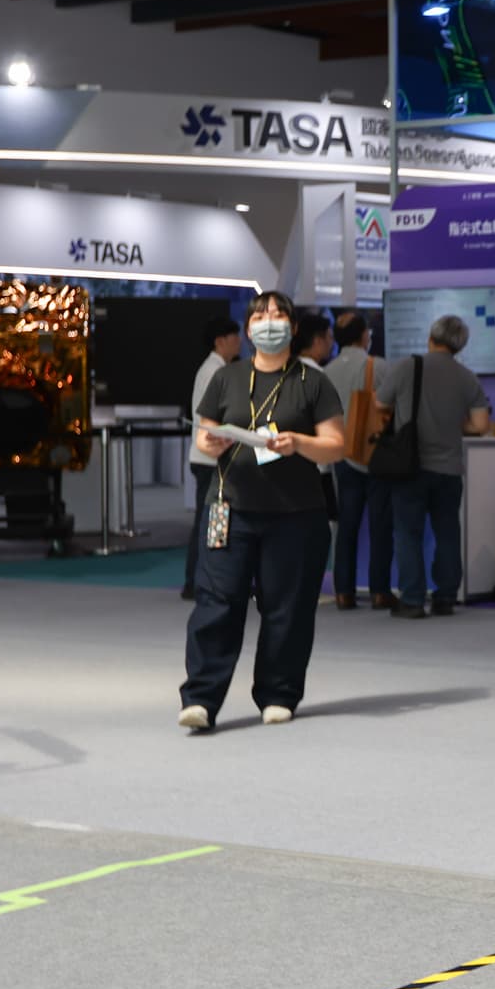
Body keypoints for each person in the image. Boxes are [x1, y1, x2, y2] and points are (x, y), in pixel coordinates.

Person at [180, 292, 344, 731]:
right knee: (216, 602)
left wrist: (299, 443)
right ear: (248, 327)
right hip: (228, 508)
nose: (268, 321)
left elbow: (336, 444)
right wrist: (212, 442)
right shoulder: (227, 377)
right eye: (259, 315)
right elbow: (204, 436)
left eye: (277, 314)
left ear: (292, 326)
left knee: (287, 607)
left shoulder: (312, 381)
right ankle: (201, 698)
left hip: (296, 513)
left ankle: (278, 693)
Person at [376, 314, 492, 619]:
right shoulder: (467, 377)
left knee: (407, 533)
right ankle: (445, 597)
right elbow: (481, 425)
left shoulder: (406, 367)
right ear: (460, 346)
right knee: (448, 533)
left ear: (430, 338)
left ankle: (413, 599)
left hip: (410, 466)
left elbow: (379, 404)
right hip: (450, 469)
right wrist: (455, 425)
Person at [321, 311, 392, 611]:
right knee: (380, 526)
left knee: (346, 527)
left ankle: (344, 592)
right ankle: (379, 592)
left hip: (342, 455)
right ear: (364, 335)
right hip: (375, 454)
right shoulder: (378, 366)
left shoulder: (326, 372)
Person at [183, 315, 241, 601]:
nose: (239, 342)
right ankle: (198, 581)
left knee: (212, 520)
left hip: (210, 457)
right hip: (210, 459)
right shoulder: (214, 372)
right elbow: (213, 417)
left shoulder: (216, 369)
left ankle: (203, 580)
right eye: (234, 337)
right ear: (220, 341)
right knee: (210, 521)